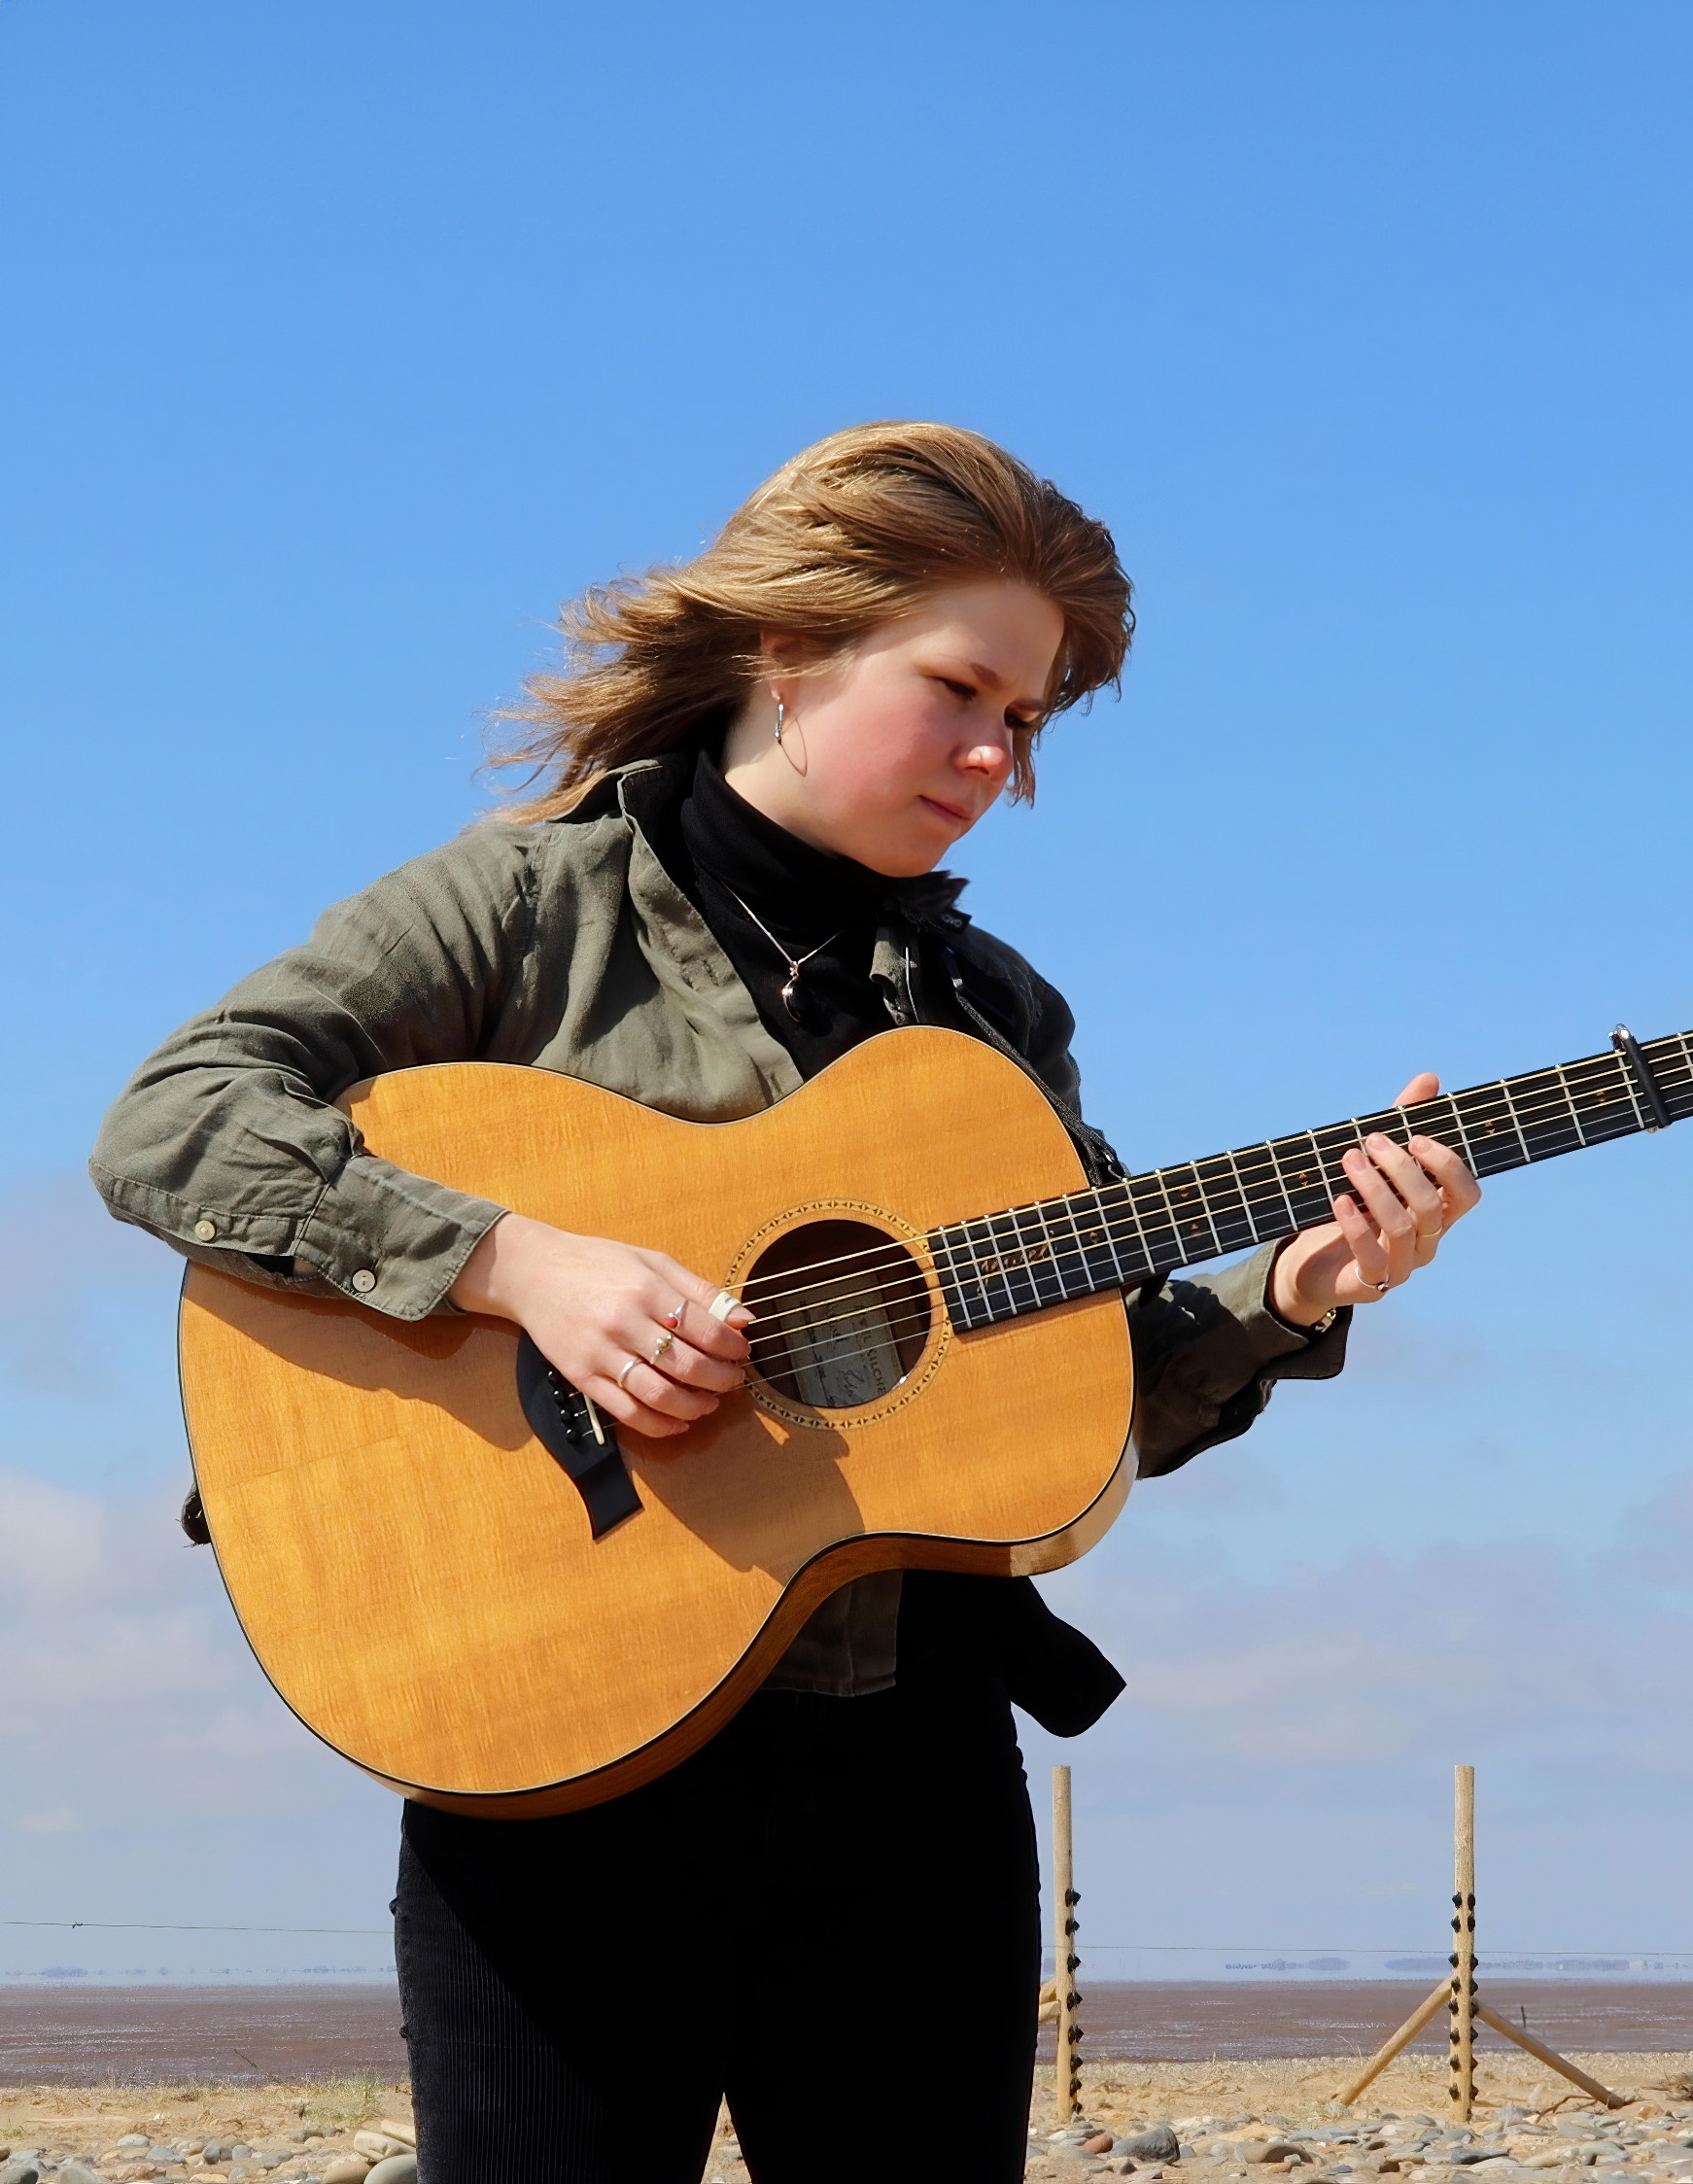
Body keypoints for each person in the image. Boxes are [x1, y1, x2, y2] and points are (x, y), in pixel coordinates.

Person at [91, 423, 1479, 2184]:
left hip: (909, 1788)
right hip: (551, 1760)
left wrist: (1293, 1290)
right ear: (789, 647)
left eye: (1030, 721)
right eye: (960, 687)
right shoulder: (525, 906)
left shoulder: (999, 1027)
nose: (994, 755)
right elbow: (174, 1119)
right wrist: (531, 1269)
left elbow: (1067, 1400)